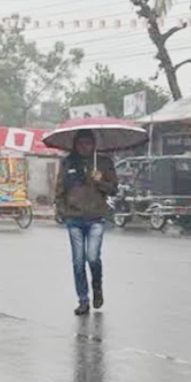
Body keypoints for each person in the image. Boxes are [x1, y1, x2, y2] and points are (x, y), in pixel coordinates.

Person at [54, 129, 118, 316]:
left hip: (96, 217)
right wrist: (61, 209)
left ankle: (97, 287)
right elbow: (60, 190)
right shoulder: (67, 163)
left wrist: (100, 181)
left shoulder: (104, 163)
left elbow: (113, 189)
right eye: (81, 143)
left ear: (94, 144)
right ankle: (83, 300)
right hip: (74, 218)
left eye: (88, 143)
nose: (84, 147)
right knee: (78, 262)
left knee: (92, 257)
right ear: (75, 144)